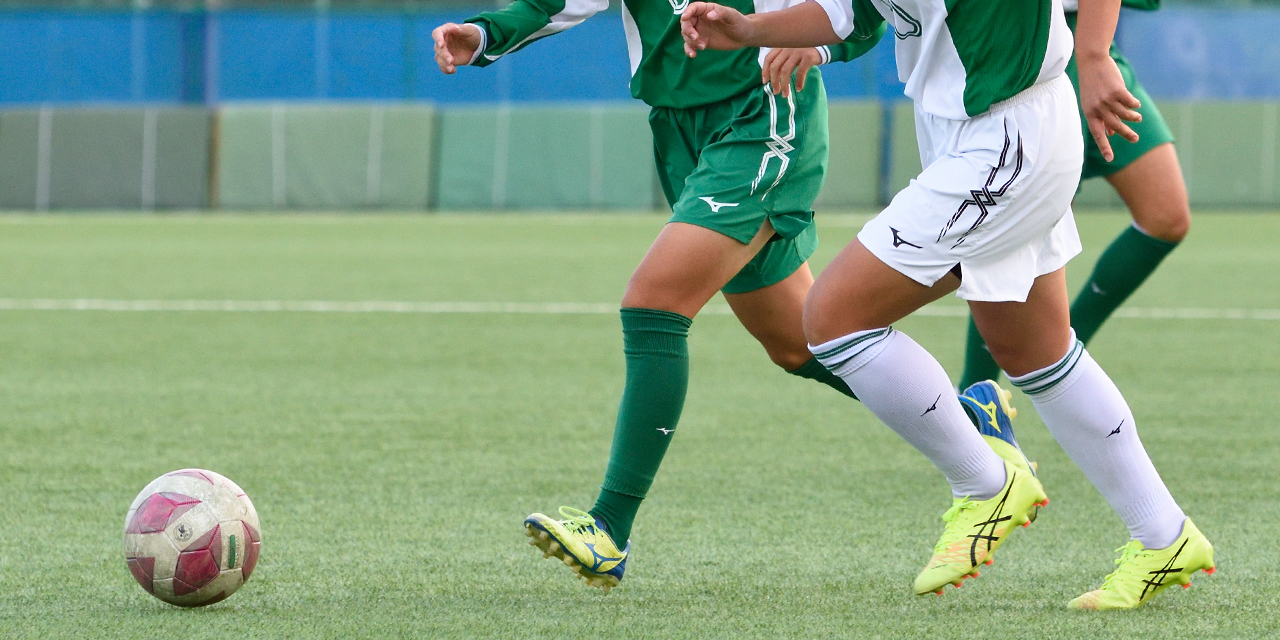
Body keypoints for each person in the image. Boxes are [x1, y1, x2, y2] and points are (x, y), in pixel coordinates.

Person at [680, 0, 1213, 609]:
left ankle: (984, 481)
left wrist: (1093, 56)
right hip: (968, 128)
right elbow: (851, 12)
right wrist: (752, 31)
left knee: (833, 318)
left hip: (1012, 134)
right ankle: (1164, 536)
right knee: (1035, 352)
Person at [433, 0, 913, 594]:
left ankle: (609, 528)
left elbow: (865, 9)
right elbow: (555, 5)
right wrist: (481, 35)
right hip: (680, 129)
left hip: (763, 116)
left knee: (653, 306)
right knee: (798, 342)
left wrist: (823, 46)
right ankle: (970, 422)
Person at [958, 0, 1190, 389]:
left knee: (1167, 217)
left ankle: (1062, 357)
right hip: (1032, 48)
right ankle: (974, 391)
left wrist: (1097, 51)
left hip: (1094, 40)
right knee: (1019, 241)